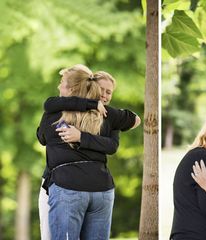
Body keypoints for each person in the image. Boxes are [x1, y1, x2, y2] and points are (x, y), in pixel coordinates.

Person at [36, 64, 140, 239]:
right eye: (102, 90)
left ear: (73, 87)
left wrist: (83, 136)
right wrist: (109, 119)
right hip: (102, 189)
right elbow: (135, 120)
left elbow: (42, 136)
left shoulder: (55, 112)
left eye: (109, 92)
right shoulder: (107, 115)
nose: (104, 95)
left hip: (67, 187)